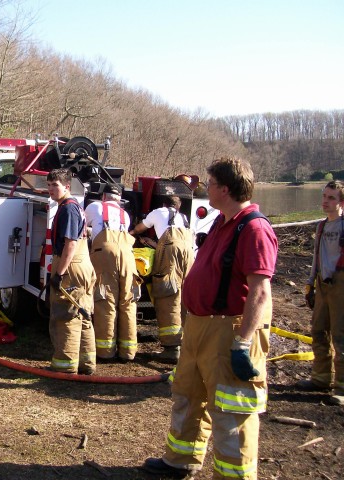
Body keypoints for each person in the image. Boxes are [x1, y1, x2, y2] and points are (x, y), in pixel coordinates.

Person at [142, 157, 277, 479]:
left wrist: (243, 343)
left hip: (228, 331)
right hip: (200, 328)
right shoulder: (222, 222)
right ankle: (181, 460)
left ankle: (234, 475)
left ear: (225, 189)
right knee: (188, 393)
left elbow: (260, 292)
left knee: (232, 409)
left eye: (211, 183)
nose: (206, 188)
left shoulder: (255, 229)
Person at [130, 196, 193, 363]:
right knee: (185, 295)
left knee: (168, 294)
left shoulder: (159, 211)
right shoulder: (184, 219)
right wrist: (155, 243)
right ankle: (188, 343)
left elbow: (140, 228)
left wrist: (130, 234)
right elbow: (177, 244)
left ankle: (172, 349)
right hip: (189, 254)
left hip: (170, 255)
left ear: (164, 204)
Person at [298, 180, 344, 406]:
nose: (325, 201)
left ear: (341, 202)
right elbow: (316, 256)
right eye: (324, 196)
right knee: (318, 331)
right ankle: (320, 377)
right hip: (322, 284)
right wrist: (310, 284)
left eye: (331, 198)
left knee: (341, 335)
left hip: (341, 285)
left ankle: (342, 386)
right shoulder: (322, 226)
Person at [46, 168, 96, 375]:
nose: (50, 190)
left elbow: (70, 244)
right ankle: (87, 363)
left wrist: (60, 273)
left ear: (67, 186)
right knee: (82, 314)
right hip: (81, 265)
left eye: (55, 185)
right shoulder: (71, 206)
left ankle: (65, 366)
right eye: (48, 185)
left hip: (71, 266)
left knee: (66, 315)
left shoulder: (68, 209)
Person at [84, 183, 139, 361]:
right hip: (128, 256)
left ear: (103, 197)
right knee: (127, 302)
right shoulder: (126, 216)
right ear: (119, 199)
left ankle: (105, 351)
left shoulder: (95, 207)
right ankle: (128, 352)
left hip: (106, 254)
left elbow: (84, 227)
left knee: (105, 300)